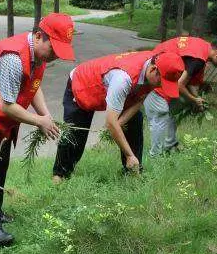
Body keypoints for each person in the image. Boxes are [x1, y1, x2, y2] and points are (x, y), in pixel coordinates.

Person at [0, 13, 76, 247]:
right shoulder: (14, 58)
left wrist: (45, 115)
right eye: (53, 48)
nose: (55, 55)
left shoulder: (38, 57)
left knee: (0, 163)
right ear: (39, 36)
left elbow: (33, 86)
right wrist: (39, 122)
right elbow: (7, 105)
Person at [51, 50, 184, 182]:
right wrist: (128, 153)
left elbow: (139, 100)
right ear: (153, 69)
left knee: (135, 120)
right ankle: (59, 176)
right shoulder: (123, 79)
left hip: (109, 88)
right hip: (83, 84)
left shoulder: (154, 65)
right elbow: (110, 122)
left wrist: (119, 125)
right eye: (162, 82)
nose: (161, 86)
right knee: (75, 134)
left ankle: (132, 172)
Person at [144, 36, 217, 156]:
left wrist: (197, 99)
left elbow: (191, 81)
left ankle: (170, 145)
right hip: (155, 73)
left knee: (171, 111)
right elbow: (180, 84)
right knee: (162, 113)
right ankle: (155, 156)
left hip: (160, 68)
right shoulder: (197, 59)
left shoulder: (203, 47)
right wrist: (194, 99)